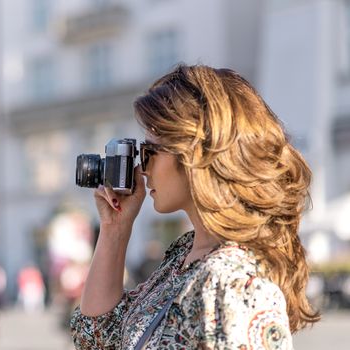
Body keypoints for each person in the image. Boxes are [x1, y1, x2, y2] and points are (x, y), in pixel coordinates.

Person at [70, 64, 320, 349]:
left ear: (193, 153)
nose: (141, 167)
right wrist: (115, 228)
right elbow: (98, 336)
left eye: (150, 150)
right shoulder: (184, 258)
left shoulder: (233, 284)